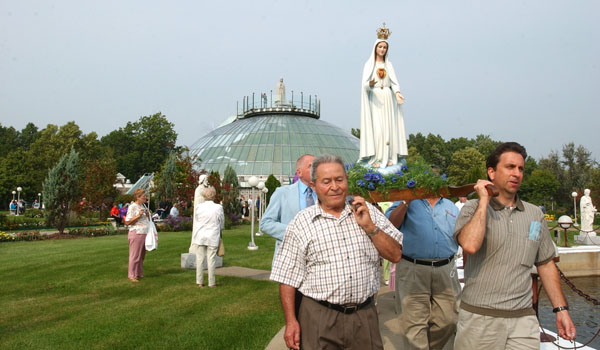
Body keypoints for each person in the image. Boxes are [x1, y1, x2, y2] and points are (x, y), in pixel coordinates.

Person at [270, 154, 403, 350]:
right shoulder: (301, 223)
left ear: (347, 181)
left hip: (363, 316)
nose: (335, 186)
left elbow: (395, 255)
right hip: (319, 317)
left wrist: (370, 228)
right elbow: (287, 278)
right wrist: (291, 321)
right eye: (327, 181)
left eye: (339, 180)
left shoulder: (368, 212)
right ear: (314, 186)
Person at [453, 142, 576, 349]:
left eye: (520, 169)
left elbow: (545, 264)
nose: (517, 174)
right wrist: (483, 201)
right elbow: (470, 245)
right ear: (491, 172)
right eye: (510, 167)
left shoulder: (534, 214)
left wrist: (561, 309)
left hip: (524, 321)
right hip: (480, 320)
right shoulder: (472, 209)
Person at [385, 196, 460, 350]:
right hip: (413, 269)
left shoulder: (450, 206)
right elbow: (390, 225)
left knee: (449, 319)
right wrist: (407, 201)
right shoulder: (405, 202)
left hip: (446, 268)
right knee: (413, 323)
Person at [360, 24, 407, 168]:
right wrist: (371, 84)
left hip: (387, 98)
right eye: (380, 47)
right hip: (375, 99)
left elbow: (394, 82)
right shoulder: (369, 65)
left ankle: (390, 157)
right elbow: (364, 85)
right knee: (378, 130)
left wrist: (397, 93)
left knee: (389, 128)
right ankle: (378, 158)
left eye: (384, 47)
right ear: (375, 48)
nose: (382, 49)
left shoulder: (389, 65)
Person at [260, 154, 316, 265]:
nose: (316, 169)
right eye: (311, 166)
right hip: (290, 258)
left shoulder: (324, 193)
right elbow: (265, 223)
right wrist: (294, 232)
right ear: (299, 172)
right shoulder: (282, 193)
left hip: (318, 258)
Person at [190, 187, 224, 288]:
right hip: (212, 235)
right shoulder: (218, 207)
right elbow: (221, 221)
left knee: (199, 259)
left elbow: (196, 219)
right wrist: (220, 229)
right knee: (211, 259)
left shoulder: (198, 207)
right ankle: (211, 282)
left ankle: (199, 281)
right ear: (214, 195)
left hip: (200, 235)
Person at [124, 189, 151, 282]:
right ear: (138, 197)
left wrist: (147, 216)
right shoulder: (132, 207)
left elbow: (147, 220)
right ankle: (131, 275)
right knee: (135, 255)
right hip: (136, 232)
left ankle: (139, 273)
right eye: (143, 196)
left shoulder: (143, 206)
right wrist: (138, 216)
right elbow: (127, 221)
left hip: (144, 232)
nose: (145, 197)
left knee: (141, 255)